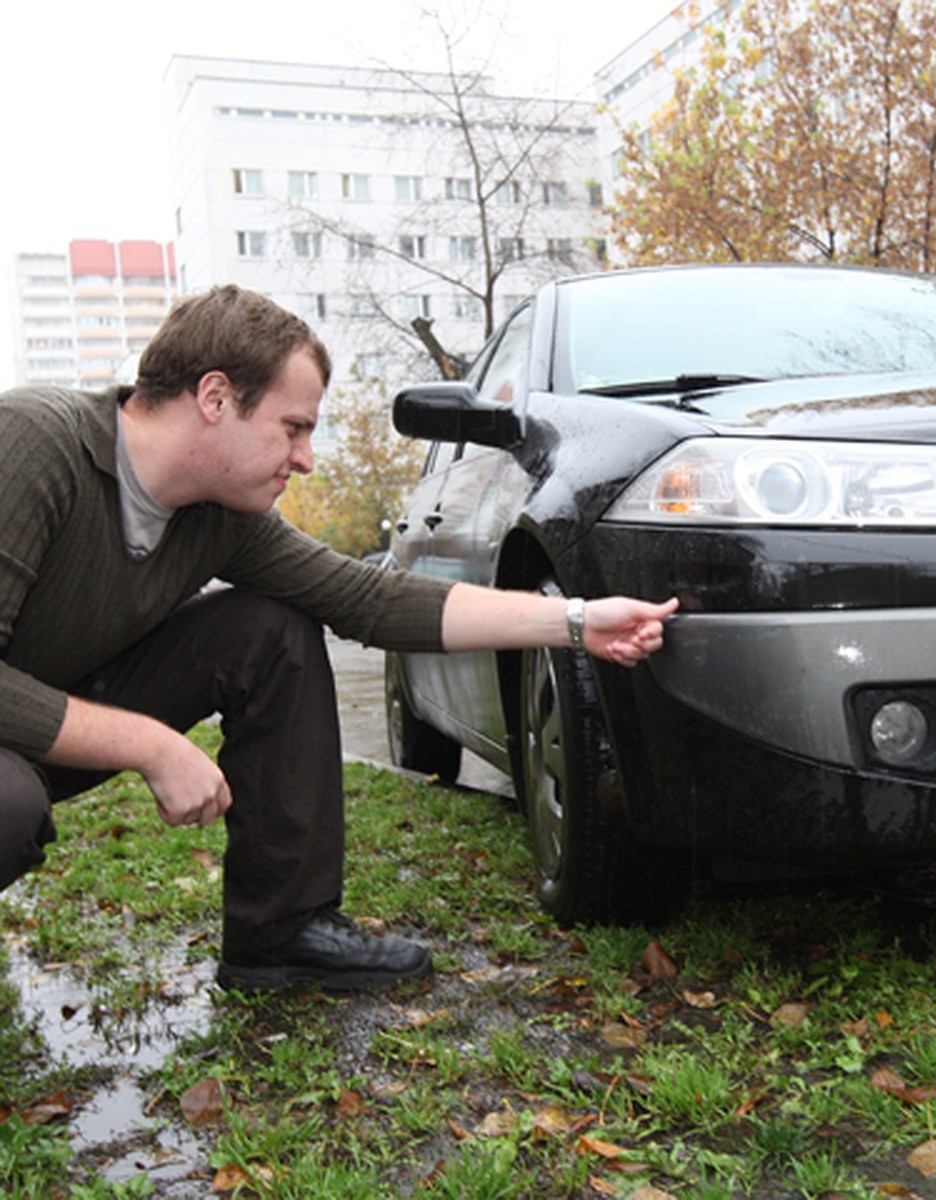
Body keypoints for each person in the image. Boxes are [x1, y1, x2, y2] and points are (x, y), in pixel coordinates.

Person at [0, 284, 677, 994]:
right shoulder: (33, 444)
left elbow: (369, 600)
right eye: (293, 427)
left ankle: (279, 933)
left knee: (272, 629)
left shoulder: (219, 517)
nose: (306, 459)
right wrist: (151, 744)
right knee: (9, 804)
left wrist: (572, 621)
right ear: (216, 398)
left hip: (46, 729)